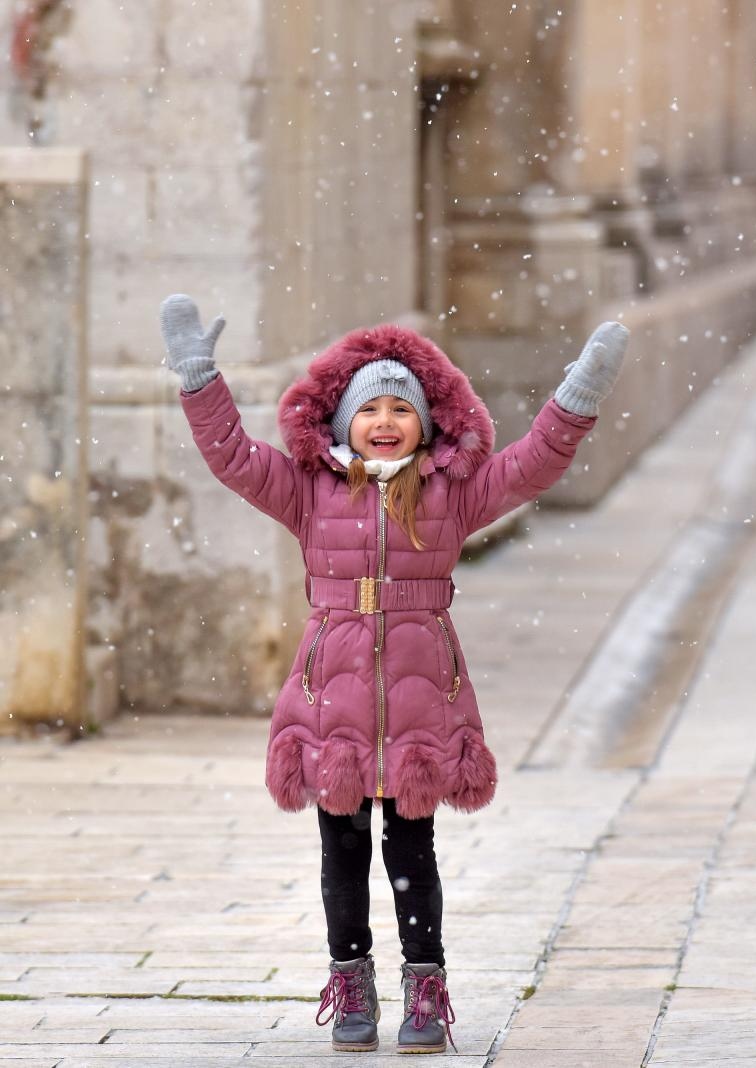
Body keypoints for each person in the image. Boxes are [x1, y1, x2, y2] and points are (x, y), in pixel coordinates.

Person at [158, 294, 629, 1054]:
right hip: (330, 701)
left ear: (427, 424)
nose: (384, 421)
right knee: (340, 851)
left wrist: (578, 397)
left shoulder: (451, 494)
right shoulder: (309, 492)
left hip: (419, 703)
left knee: (412, 852)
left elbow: (531, 466)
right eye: (368, 407)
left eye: (400, 410)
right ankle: (349, 977)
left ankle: (424, 984)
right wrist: (197, 379)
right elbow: (233, 459)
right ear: (339, 421)